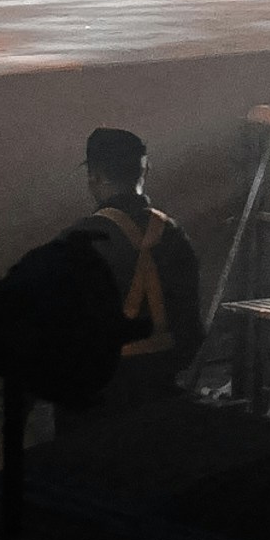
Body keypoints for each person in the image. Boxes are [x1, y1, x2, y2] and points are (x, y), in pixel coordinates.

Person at [63, 126, 202, 414]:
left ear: (95, 177)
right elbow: (191, 329)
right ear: (144, 171)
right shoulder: (174, 235)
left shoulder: (79, 240)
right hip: (159, 391)